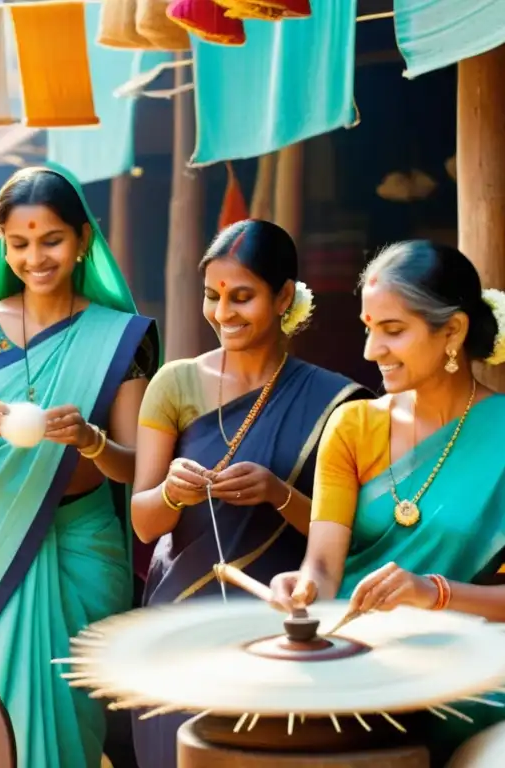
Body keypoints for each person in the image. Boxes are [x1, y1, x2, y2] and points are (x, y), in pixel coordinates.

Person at [268, 241, 505, 763]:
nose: (370, 350)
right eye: (368, 327)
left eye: (393, 330)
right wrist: (304, 587)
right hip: (359, 663)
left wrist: (432, 593)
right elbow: (323, 564)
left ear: (452, 331)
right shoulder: (354, 426)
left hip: (469, 674)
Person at [0, 165, 159, 768]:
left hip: (82, 546)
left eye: (51, 239)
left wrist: (91, 440)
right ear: (1, 244)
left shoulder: (119, 340)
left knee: (67, 725)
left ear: (83, 240)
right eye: (19, 243)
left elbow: (135, 469)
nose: (36, 257)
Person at [129, 219, 369, 768]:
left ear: (284, 296)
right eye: (212, 297)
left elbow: (352, 538)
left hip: (284, 622)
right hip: (182, 624)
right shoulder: (175, 383)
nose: (223, 314)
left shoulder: (338, 402)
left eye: (243, 297)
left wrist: (278, 494)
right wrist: (172, 492)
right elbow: (144, 523)